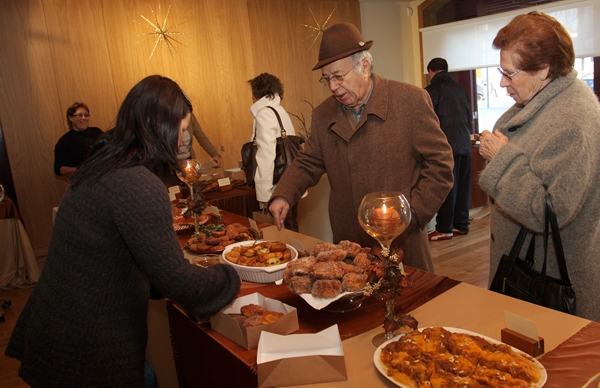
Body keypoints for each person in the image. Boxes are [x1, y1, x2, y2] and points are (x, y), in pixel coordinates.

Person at [6, 75, 241, 387]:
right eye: (182, 130)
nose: (185, 140)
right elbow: (177, 280)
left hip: (56, 328)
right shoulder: (137, 182)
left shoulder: (105, 163)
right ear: (161, 128)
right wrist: (230, 275)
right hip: (84, 346)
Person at [268, 22, 454, 272]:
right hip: (349, 248)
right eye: (327, 79)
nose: (333, 87)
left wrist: (411, 213)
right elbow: (308, 162)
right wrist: (284, 193)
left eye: (338, 77)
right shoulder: (322, 115)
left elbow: (441, 165)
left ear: (364, 67)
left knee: (408, 307)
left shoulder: (410, 101)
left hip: (401, 243)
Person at [478, 11, 600, 322]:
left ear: (543, 70)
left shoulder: (574, 119)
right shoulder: (541, 99)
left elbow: (549, 211)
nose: (502, 83)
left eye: (509, 73)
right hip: (528, 272)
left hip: (551, 283)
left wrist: (501, 158)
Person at [425, 58, 472, 241]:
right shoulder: (461, 89)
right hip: (465, 143)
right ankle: (461, 224)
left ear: (431, 72)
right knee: (462, 186)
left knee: (446, 186)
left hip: (445, 145)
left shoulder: (431, 91)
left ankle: (444, 228)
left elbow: (427, 122)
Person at [248, 73, 301, 232]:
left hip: (277, 184)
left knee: (281, 231)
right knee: (291, 225)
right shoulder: (280, 111)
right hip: (291, 180)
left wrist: (264, 195)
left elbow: (266, 155)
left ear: (257, 93)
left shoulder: (264, 113)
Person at [53, 102, 103, 178]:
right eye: (79, 115)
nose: (84, 118)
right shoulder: (64, 141)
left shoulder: (97, 131)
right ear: (70, 118)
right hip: (83, 182)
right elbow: (59, 170)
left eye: (86, 115)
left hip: (104, 176)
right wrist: (85, 169)